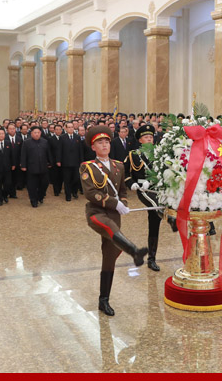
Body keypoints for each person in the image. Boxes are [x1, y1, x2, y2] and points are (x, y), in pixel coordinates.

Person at [80, 126, 148, 316]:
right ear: (93, 147)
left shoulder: (119, 165)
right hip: (96, 213)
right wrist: (113, 203)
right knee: (109, 228)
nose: (104, 145)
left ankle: (104, 300)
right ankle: (134, 251)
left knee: (109, 257)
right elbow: (90, 193)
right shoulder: (88, 167)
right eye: (100, 142)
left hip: (114, 215)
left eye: (107, 142)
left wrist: (123, 203)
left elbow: (122, 191)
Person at [123, 123, 174, 272]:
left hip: (157, 187)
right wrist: (131, 183)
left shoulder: (159, 153)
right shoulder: (133, 155)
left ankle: (152, 259)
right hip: (143, 189)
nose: (149, 139)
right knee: (156, 205)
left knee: (154, 223)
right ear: (140, 140)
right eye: (146, 137)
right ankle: (169, 218)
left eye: (151, 137)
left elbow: (166, 170)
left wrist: (152, 181)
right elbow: (126, 173)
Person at [20, 126, 53, 208]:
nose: (37, 134)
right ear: (31, 133)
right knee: (32, 186)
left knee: (44, 184)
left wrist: (50, 162)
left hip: (43, 167)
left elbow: (48, 153)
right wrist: (23, 165)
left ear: (40, 133)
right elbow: (23, 155)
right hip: (31, 168)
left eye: (38, 133)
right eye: (35, 133)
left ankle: (40, 197)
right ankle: (33, 200)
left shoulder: (45, 142)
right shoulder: (26, 142)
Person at [59, 122, 83, 201]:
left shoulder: (77, 137)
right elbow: (60, 150)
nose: (71, 128)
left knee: (76, 178)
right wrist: (58, 160)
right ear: (65, 128)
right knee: (67, 180)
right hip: (66, 162)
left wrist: (81, 161)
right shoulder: (62, 137)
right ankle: (68, 195)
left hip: (76, 162)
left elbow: (80, 151)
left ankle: (74, 192)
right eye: (69, 127)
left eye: (72, 127)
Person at [48, 124, 63, 197]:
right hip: (54, 161)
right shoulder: (51, 139)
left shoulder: (63, 138)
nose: (58, 131)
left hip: (63, 161)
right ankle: (56, 191)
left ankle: (60, 189)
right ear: (54, 130)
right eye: (56, 129)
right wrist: (50, 161)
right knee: (55, 177)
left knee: (61, 176)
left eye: (59, 129)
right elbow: (49, 151)